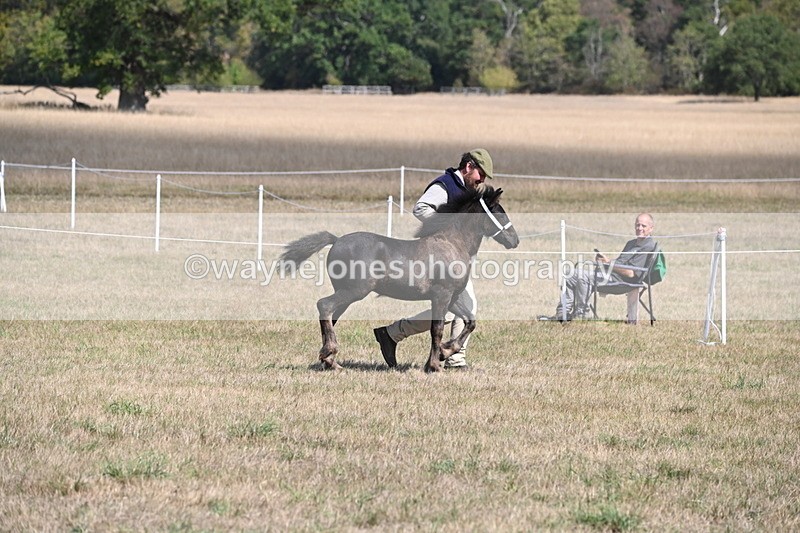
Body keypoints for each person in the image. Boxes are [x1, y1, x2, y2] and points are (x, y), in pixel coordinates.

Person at [373, 149, 494, 370]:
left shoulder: (466, 190)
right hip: (437, 263)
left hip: (455, 263)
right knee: (465, 308)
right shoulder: (445, 185)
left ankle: (392, 334)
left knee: (456, 310)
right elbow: (421, 208)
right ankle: (454, 359)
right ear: (469, 167)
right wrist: (447, 227)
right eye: (481, 174)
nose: (482, 181)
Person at [539, 213, 656, 321]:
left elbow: (631, 273)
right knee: (570, 273)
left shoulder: (648, 247)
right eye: (637, 225)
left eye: (643, 226)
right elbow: (620, 263)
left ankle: (581, 315)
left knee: (583, 276)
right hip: (610, 275)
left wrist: (608, 263)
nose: (639, 228)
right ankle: (562, 314)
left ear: (651, 228)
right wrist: (603, 262)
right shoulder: (631, 243)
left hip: (622, 282)